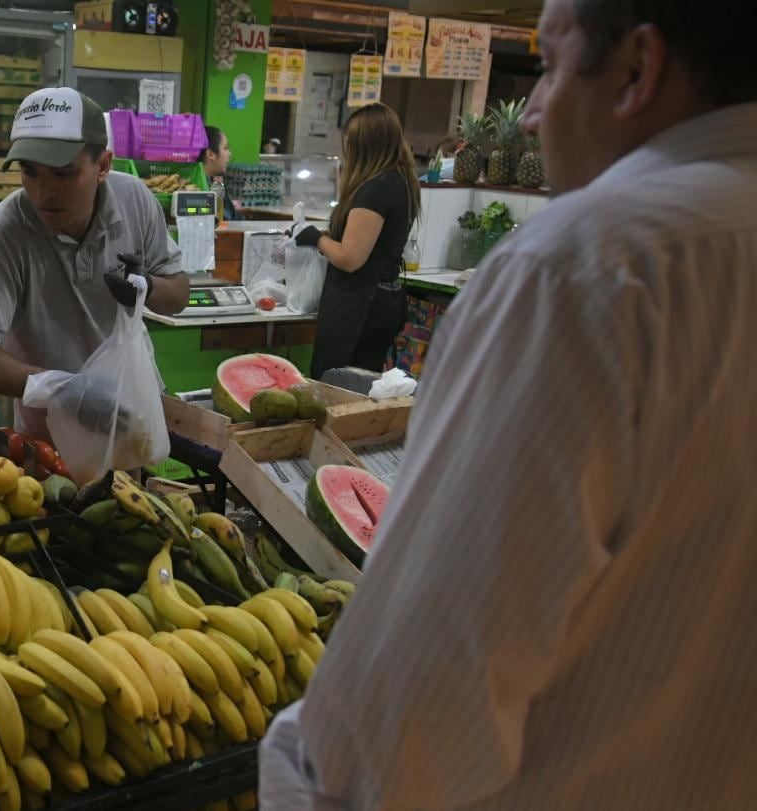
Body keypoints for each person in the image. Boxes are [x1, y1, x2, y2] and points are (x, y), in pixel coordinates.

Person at [260, 0, 757, 808]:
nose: (527, 116)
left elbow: (404, 722)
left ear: (637, 70)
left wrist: (301, 764)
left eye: (551, 67)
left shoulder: (582, 269)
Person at [0, 87, 189, 441]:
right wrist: (66, 392)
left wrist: (147, 286)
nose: (44, 192)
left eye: (63, 173)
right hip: (48, 433)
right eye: (30, 172)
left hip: (131, 411)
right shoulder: (5, 234)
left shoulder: (135, 202)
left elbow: (179, 295)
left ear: (103, 165)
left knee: (132, 493)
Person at [290, 103, 419, 378]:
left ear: (365, 146)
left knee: (339, 389)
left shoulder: (376, 188)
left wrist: (315, 238)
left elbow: (350, 258)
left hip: (361, 308)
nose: (345, 151)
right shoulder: (400, 181)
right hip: (382, 299)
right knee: (360, 391)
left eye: (349, 143)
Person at [198, 126, 239, 221]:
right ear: (211, 154)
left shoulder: (216, 184)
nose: (229, 154)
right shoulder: (198, 189)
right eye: (225, 148)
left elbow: (232, 217)